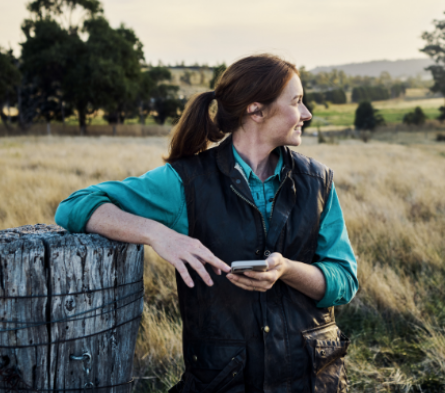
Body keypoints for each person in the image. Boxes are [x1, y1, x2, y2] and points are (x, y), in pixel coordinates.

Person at [55, 54, 358, 393]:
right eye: (297, 102)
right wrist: (159, 235)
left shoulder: (318, 181)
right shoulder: (185, 183)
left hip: (314, 381)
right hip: (224, 383)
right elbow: (74, 207)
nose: (307, 114)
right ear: (255, 111)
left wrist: (286, 270)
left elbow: (344, 281)